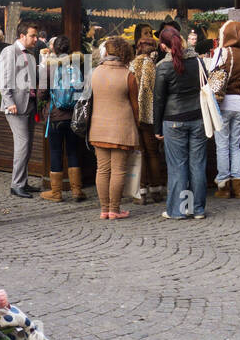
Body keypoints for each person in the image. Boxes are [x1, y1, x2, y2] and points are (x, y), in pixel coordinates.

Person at [154, 25, 206, 220]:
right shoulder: (198, 62)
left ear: (163, 46)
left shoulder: (163, 67)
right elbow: (205, 86)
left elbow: (159, 100)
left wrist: (157, 128)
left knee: (178, 166)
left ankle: (179, 210)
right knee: (197, 165)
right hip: (198, 118)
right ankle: (197, 209)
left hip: (173, 120)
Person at [87, 36, 139, 219]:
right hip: (121, 129)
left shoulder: (95, 72)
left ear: (107, 52)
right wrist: (138, 124)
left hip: (98, 127)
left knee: (102, 170)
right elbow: (135, 105)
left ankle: (104, 210)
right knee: (118, 170)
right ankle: (115, 209)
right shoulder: (129, 76)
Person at [38, 35, 87, 202]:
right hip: (73, 117)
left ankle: (56, 193)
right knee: (73, 152)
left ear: (54, 49)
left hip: (55, 117)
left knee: (56, 152)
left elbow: (41, 94)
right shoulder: (77, 65)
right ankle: (77, 191)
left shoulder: (49, 68)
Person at [209, 20, 240, 198]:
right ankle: (239, 186)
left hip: (224, 102)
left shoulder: (222, 52)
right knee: (235, 146)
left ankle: (224, 186)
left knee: (222, 146)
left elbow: (213, 75)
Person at [0, 21, 40, 198]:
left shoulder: (30, 53)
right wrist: (9, 101)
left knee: (28, 145)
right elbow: (4, 78)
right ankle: (16, 185)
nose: (36, 39)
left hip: (29, 104)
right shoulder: (9, 51)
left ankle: (23, 181)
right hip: (15, 105)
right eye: (32, 35)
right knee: (22, 145)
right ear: (22, 36)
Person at [129, 36, 165, 204]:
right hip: (149, 115)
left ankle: (141, 192)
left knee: (140, 153)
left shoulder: (132, 64)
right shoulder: (151, 65)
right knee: (152, 153)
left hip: (134, 114)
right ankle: (156, 191)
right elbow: (152, 90)